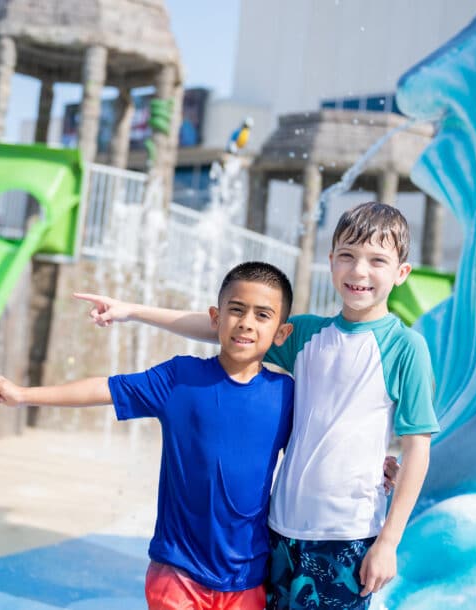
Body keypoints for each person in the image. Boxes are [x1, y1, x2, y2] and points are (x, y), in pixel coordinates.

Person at [75, 202, 440, 609]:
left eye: (377, 261)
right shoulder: (305, 335)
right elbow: (223, 329)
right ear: (331, 260)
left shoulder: (406, 349)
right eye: (348, 256)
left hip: (348, 535)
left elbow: (417, 450)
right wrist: (132, 312)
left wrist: (389, 541)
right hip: (280, 530)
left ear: (401, 272)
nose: (359, 271)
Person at [0, 262, 297, 610]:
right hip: (177, 573)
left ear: (281, 334)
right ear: (215, 318)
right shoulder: (180, 379)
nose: (246, 322)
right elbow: (105, 388)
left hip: (247, 578)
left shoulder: (287, 395)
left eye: (262, 315)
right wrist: (23, 395)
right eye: (236, 310)